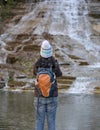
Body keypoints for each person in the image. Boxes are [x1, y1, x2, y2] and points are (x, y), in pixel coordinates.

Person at [33, 40, 62, 130]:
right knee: (51, 120)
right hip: (52, 95)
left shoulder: (37, 63)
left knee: (39, 120)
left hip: (39, 96)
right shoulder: (54, 62)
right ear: (50, 51)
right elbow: (60, 74)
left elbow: (34, 74)